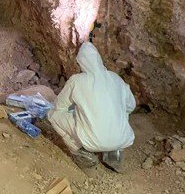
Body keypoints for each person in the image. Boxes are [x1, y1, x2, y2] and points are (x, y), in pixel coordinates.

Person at [48, 41, 136, 171]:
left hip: (91, 141)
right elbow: (131, 106)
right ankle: (114, 155)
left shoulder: (77, 80)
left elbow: (59, 106)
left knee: (53, 115)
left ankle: (80, 152)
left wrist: (78, 110)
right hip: (123, 139)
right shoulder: (116, 78)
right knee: (122, 111)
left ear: (81, 62)